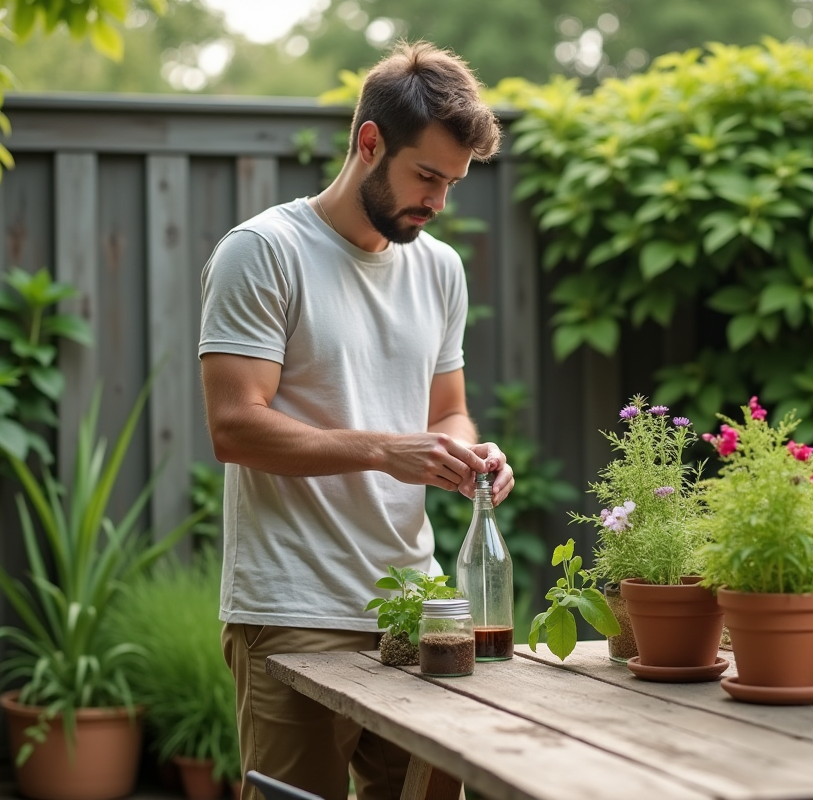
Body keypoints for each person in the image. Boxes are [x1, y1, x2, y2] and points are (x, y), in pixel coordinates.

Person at [198, 41, 513, 800]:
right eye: (426, 176)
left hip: (417, 606)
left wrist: (465, 456)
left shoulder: (440, 268)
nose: (438, 201)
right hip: (293, 606)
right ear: (369, 143)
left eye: (453, 183)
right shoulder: (264, 252)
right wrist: (380, 449)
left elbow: (450, 411)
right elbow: (234, 426)